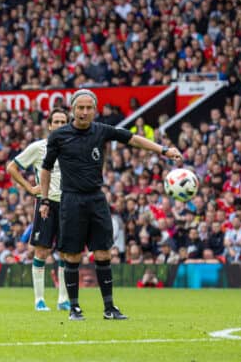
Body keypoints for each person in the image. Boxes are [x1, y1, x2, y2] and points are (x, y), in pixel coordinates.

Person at [39, 89, 182, 321]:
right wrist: (45, 199)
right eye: (80, 108)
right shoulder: (59, 136)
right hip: (71, 200)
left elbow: (133, 139)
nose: (84, 112)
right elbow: (46, 168)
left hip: (96, 199)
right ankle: (74, 308)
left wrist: (163, 150)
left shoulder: (102, 131)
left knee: (103, 253)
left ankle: (109, 308)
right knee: (72, 256)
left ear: (94, 110)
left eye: (88, 108)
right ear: (73, 110)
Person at [6, 108, 71, 312]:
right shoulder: (39, 148)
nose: (60, 125)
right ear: (50, 125)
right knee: (42, 251)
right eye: (56, 122)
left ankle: (63, 299)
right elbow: (11, 168)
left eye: (63, 122)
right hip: (47, 204)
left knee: (67, 252)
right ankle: (39, 300)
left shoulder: (73, 148)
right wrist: (29, 188)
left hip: (69, 204)